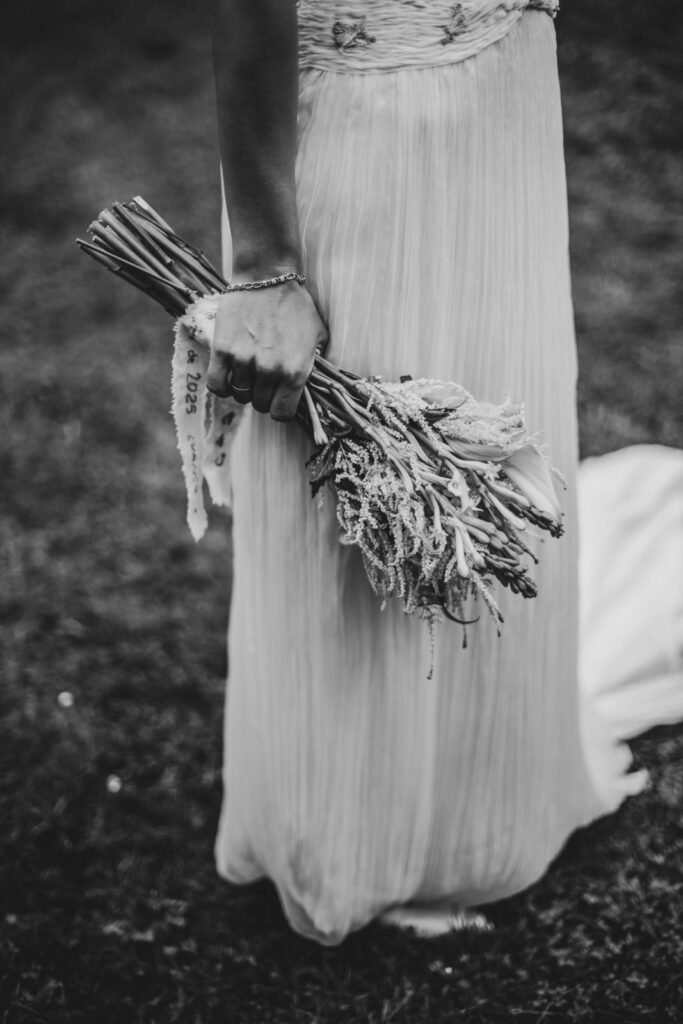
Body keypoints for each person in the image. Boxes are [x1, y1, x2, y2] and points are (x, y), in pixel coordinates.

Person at [206, 0, 683, 944]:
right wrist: (265, 267)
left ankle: (474, 797)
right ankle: (353, 826)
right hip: (364, 119)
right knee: (345, 496)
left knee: (484, 448)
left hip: (497, 103)